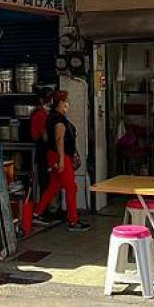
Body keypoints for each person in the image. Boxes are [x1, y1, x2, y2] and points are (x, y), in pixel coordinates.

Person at [32, 90, 90, 232]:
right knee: (71, 188)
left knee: (54, 186)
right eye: (65, 101)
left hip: (58, 156)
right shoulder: (57, 119)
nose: (67, 104)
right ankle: (73, 221)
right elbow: (59, 140)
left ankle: (37, 212)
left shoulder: (56, 117)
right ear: (60, 103)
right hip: (60, 156)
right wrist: (62, 160)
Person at [29, 88, 54, 196]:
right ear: (42, 100)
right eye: (49, 98)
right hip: (43, 151)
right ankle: (46, 209)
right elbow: (45, 137)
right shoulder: (39, 114)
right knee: (45, 181)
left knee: (50, 180)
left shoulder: (46, 113)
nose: (51, 101)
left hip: (47, 150)